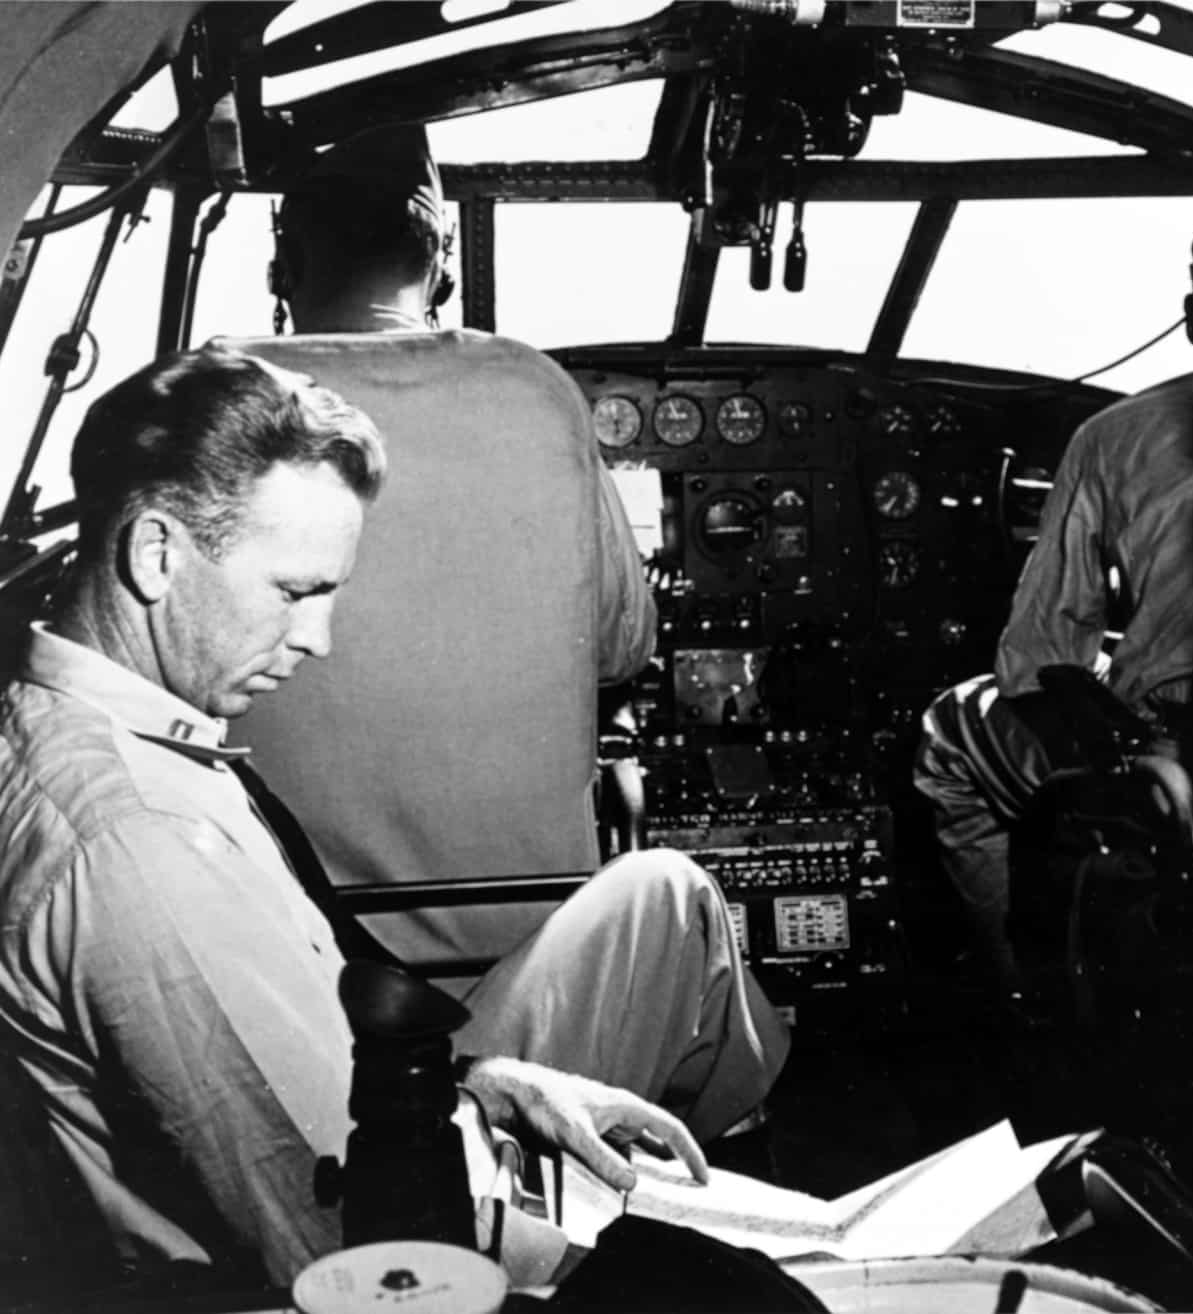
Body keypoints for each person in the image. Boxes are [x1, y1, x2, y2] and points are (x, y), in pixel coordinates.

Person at [0, 346, 788, 1290]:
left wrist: (481, 1089)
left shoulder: (108, 736)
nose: (317, 639)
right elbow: (366, 1257)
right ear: (156, 552)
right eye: (296, 592)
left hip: (424, 1140)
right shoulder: (136, 837)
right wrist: (610, 1270)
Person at [913, 183, 1193, 992]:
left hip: (1188, 754)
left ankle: (1030, 1002)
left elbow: (1037, 659)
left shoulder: (1115, 437)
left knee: (950, 733)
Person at [269, 122, 655, 685]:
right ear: (442, 277)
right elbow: (620, 651)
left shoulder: (200, 401)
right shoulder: (534, 400)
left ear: (283, 271)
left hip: (238, 776)